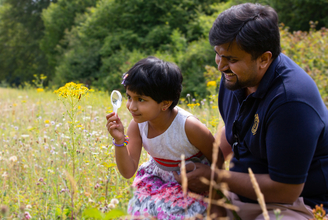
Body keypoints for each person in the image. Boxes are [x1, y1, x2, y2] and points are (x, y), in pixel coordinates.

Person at [174, 3, 328, 220]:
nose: (220, 66)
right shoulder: (235, 77)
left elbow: (286, 190)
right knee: (169, 207)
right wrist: (203, 163)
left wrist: (214, 177)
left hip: (297, 204)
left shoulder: (291, 101)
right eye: (218, 54)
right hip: (243, 193)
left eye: (231, 59)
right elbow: (234, 129)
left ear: (264, 59)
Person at [105, 56, 215, 219]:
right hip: (158, 181)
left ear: (165, 104)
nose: (131, 106)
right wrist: (119, 141)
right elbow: (128, 171)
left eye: (141, 100)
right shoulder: (137, 125)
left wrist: (216, 193)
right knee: (142, 214)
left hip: (192, 182)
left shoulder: (189, 126)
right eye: (129, 97)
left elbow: (217, 157)